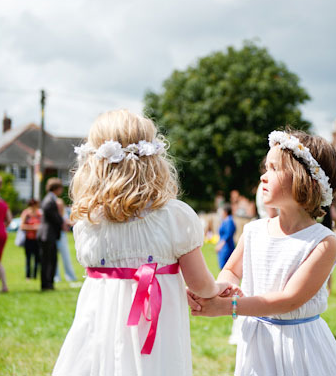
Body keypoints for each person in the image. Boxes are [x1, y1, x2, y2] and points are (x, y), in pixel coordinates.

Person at [52, 110, 237, 376]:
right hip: (157, 329)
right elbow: (199, 284)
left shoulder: (87, 221)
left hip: (100, 327)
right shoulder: (175, 215)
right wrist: (217, 287)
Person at [189, 130, 336, 376]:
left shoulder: (323, 242)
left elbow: (289, 300)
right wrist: (221, 288)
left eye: (274, 169)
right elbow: (232, 269)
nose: (264, 177)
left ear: (304, 180)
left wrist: (227, 307)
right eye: (266, 168)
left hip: (297, 346)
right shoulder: (254, 231)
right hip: (258, 342)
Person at [38, 178, 64, 291]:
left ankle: (49, 283)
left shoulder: (50, 199)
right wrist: (63, 222)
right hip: (47, 234)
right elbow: (54, 217)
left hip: (48, 234)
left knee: (51, 260)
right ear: (56, 188)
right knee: (48, 260)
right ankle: (47, 284)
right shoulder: (49, 200)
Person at [54, 197, 77, 283]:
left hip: (62, 236)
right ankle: (56, 277)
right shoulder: (55, 214)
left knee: (66, 257)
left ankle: (70, 276)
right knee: (55, 258)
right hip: (55, 236)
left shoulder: (64, 214)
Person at [20, 198, 41, 279]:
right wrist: (33, 227)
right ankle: (28, 276)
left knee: (37, 258)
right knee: (28, 258)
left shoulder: (39, 213)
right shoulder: (26, 213)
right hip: (28, 239)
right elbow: (22, 226)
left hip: (37, 239)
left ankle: (35, 275)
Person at [216, 204, 236, 269]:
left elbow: (228, 234)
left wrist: (220, 245)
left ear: (225, 212)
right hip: (224, 247)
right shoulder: (225, 220)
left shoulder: (229, 221)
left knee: (225, 267)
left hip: (226, 247)